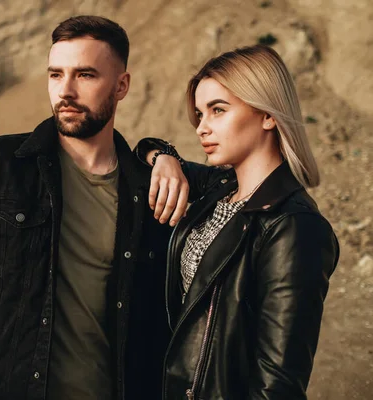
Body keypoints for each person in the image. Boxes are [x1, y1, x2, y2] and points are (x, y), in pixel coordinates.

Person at [0, 15, 188, 400]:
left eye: (86, 75)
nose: (66, 90)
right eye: (56, 74)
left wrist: (164, 153)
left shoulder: (150, 189)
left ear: (121, 85)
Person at [137, 44, 340, 399]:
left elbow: (278, 381)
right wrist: (164, 156)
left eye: (218, 110)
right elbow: (141, 152)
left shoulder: (294, 227)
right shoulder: (219, 188)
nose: (202, 128)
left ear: (267, 115)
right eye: (199, 114)